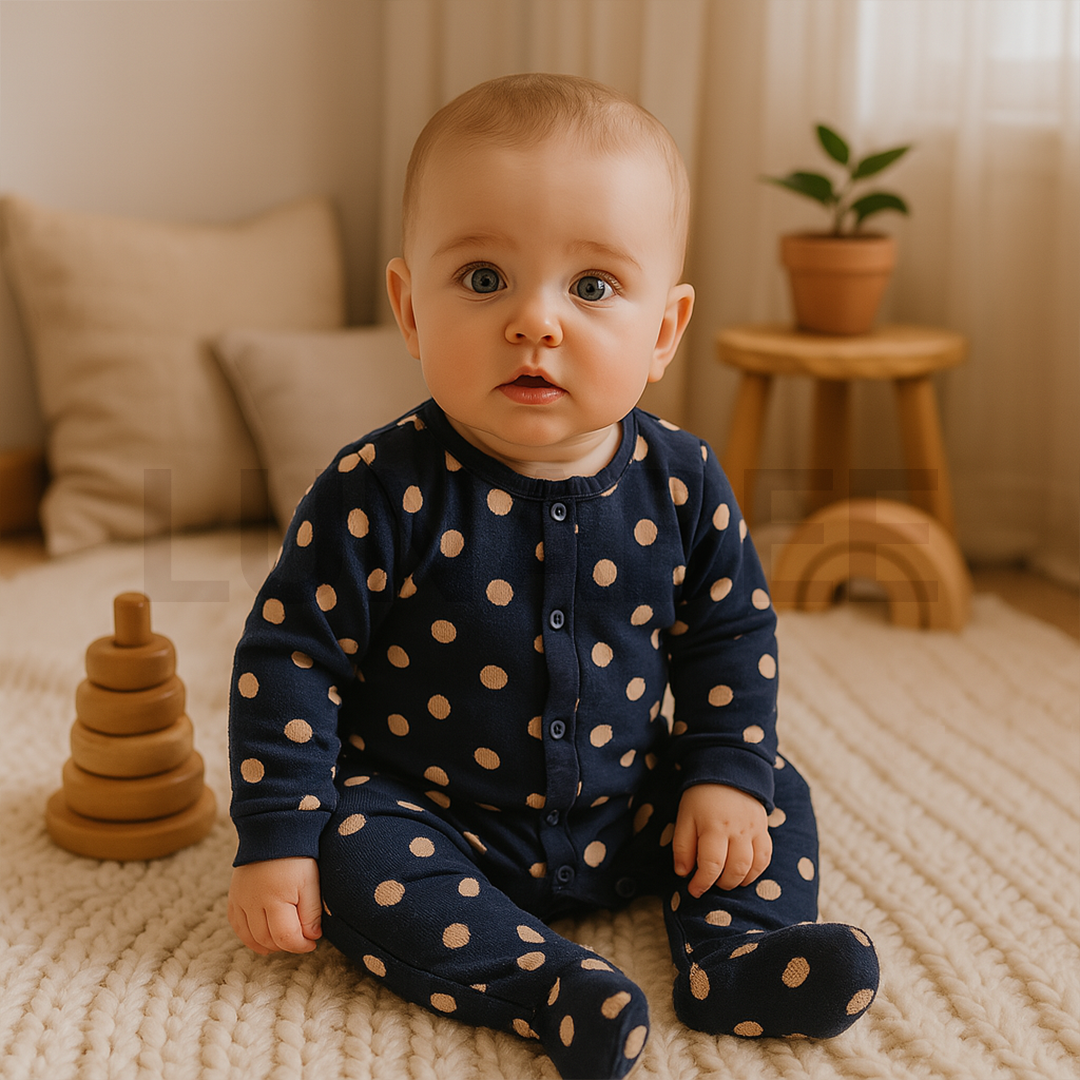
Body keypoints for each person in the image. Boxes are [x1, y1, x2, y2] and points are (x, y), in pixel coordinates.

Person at [226, 72, 879, 1080]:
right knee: (345, 841)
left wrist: (719, 777)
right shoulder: (374, 488)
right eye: (483, 278)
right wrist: (275, 837)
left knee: (763, 783)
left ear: (664, 330)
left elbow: (730, 641)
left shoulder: (687, 482)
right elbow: (289, 663)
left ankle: (733, 953)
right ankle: (551, 987)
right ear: (408, 306)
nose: (537, 321)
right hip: (435, 811)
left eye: (593, 286)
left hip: (626, 809)